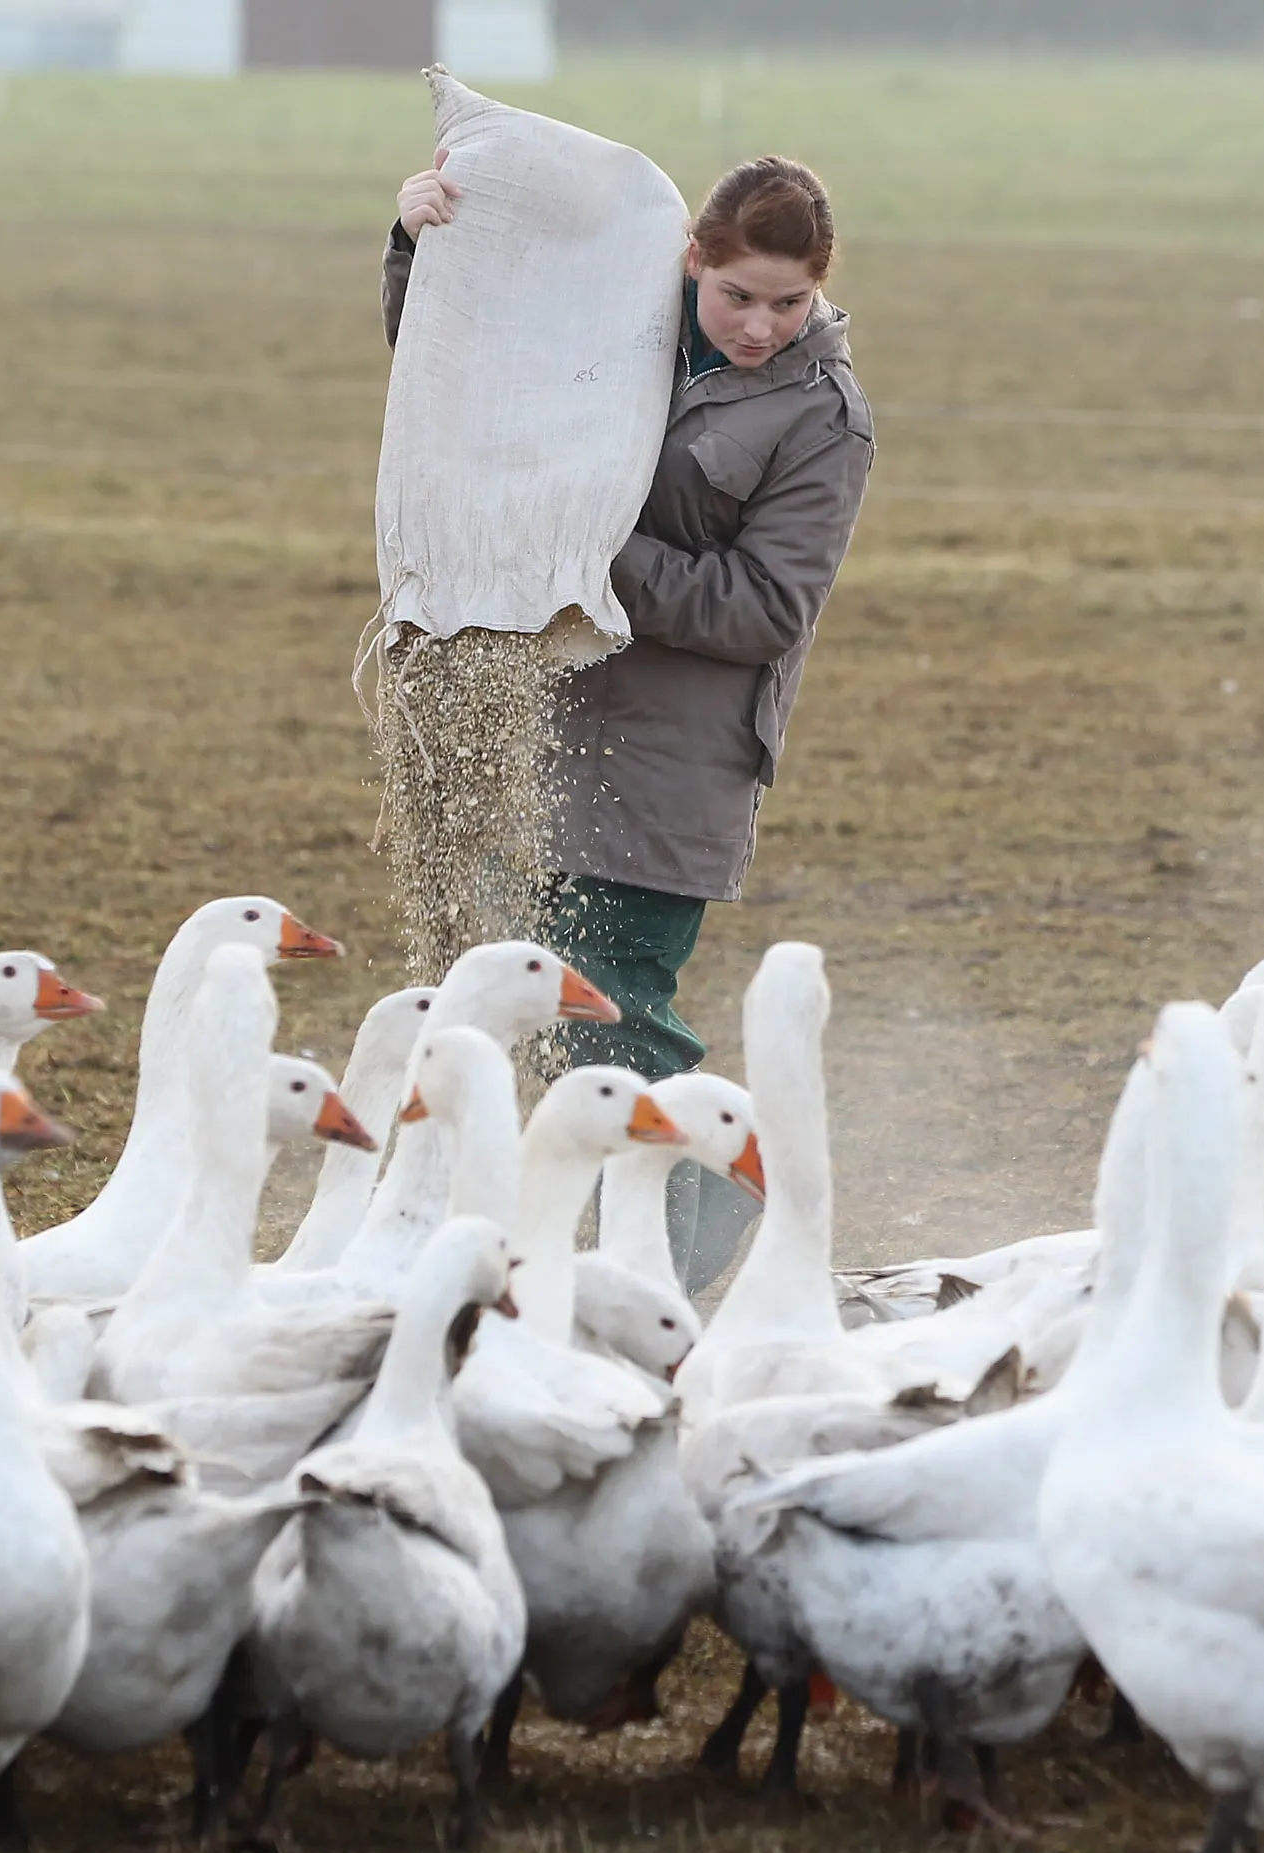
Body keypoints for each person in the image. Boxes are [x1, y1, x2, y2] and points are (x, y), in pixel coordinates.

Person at [385, 146, 872, 1281]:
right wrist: (418, 246)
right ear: (691, 259)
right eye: (736, 294)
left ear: (823, 287)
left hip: (679, 758)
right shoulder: (621, 322)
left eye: (789, 302)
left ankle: (702, 1234)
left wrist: (589, 544)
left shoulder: (822, 417)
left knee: (610, 1008)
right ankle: (615, 1251)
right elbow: (470, 370)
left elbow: (764, 606)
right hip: (546, 724)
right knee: (541, 995)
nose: (759, 325)